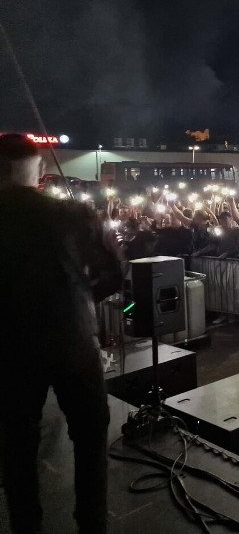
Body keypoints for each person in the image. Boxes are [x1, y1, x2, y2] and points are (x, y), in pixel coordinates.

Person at [0, 134, 121, 534]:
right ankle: (91, 524)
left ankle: (26, 526)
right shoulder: (72, 213)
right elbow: (114, 273)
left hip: (12, 348)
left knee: (17, 443)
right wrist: (82, 299)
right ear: (33, 167)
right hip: (73, 340)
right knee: (89, 436)